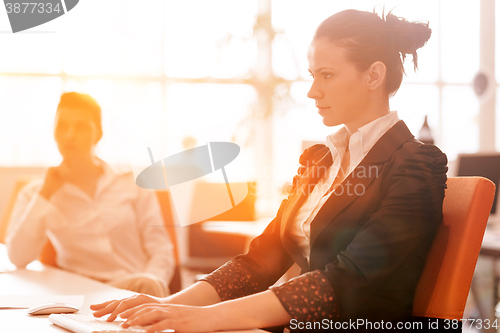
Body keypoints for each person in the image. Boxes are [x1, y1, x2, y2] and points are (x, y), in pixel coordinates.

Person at [91, 9, 448, 332]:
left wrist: (204, 318)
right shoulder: (321, 160)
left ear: (374, 75)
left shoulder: (416, 164)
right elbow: (260, 261)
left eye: (326, 75)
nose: (312, 91)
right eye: (312, 75)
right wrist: (167, 305)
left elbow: (349, 279)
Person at [6, 92, 175, 297]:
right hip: (80, 295)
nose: (70, 135)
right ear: (54, 133)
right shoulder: (35, 193)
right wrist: (45, 193)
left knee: (145, 285)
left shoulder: (133, 183)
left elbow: (160, 248)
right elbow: (17, 257)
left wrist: (152, 286)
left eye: (81, 127)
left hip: (134, 289)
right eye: (62, 126)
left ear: (99, 133)